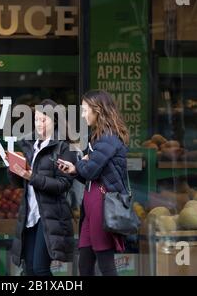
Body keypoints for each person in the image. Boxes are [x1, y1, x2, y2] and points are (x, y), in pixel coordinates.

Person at [57, 90, 130, 276]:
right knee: (85, 263)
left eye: (84, 110)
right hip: (91, 205)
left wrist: (81, 164)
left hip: (101, 205)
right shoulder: (99, 138)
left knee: (105, 263)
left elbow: (90, 170)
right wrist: (75, 169)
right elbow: (90, 174)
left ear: (97, 110)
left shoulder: (108, 139)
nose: (82, 115)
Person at [8, 99, 76, 276]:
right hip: (30, 214)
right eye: (37, 119)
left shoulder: (64, 147)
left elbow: (63, 184)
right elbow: (21, 184)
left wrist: (32, 177)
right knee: (29, 269)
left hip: (50, 216)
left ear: (54, 120)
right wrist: (15, 170)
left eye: (43, 120)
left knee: (40, 268)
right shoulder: (31, 145)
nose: (39, 124)